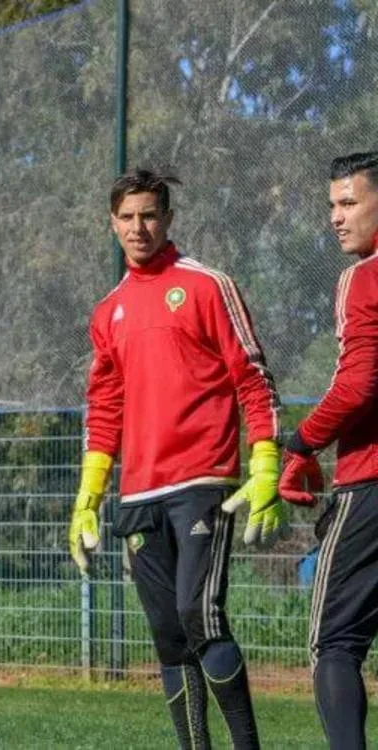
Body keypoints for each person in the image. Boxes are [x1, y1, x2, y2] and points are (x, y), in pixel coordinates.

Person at [68, 168, 284, 750]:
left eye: (149, 215)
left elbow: (253, 377)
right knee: (168, 636)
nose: (138, 227)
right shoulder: (108, 311)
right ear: (111, 224)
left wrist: (265, 462)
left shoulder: (207, 285)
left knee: (199, 617)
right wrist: (88, 497)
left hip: (202, 482)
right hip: (139, 494)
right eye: (127, 217)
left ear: (168, 218)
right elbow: (104, 408)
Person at [279, 151, 378, 750]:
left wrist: (301, 442)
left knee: (335, 642)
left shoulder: (363, 277)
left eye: (349, 203)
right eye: (332, 206)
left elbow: (360, 383)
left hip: (370, 484)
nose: (335, 218)